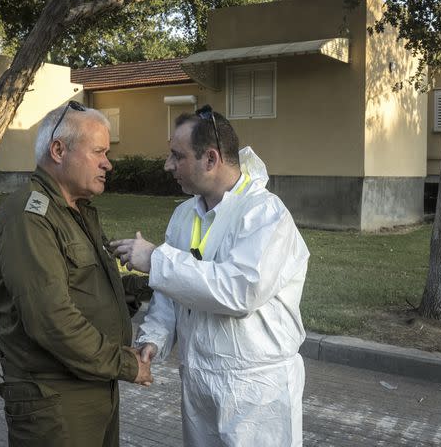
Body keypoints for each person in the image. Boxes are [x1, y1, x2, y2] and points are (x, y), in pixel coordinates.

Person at [110, 105, 309, 446]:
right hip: (199, 379)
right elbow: (171, 293)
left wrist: (157, 259)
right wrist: (153, 338)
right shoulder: (184, 215)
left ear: (211, 159)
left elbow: (240, 291)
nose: (167, 165)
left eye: (177, 156)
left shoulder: (265, 214)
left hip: (256, 390)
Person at [0, 101, 153, 447]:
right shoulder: (29, 217)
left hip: (90, 388)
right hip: (55, 401)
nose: (108, 163)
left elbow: (88, 290)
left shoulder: (75, 211)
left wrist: (153, 282)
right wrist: (125, 364)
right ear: (58, 150)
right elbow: (51, 319)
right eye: (98, 152)